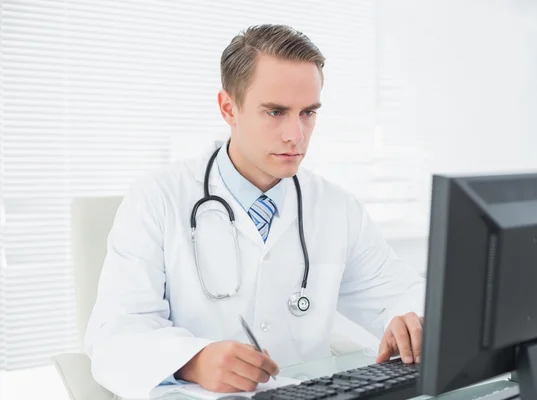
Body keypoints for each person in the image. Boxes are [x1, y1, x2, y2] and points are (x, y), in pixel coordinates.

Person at [84, 24, 425, 399]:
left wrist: (410, 319)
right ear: (229, 108)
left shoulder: (336, 207)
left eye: (308, 112)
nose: (295, 134)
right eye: (276, 112)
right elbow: (113, 335)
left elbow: (399, 293)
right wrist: (193, 360)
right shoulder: (157, 198)